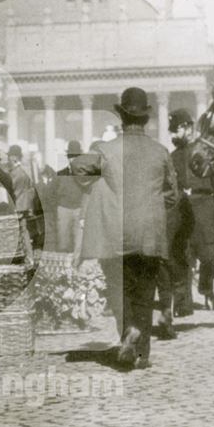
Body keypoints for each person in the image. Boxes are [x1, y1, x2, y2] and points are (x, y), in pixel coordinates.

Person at [72, 88, 177, 368]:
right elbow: (172, 194)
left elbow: (78, 171)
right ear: (145, 120)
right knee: (145, 292)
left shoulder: (105, 150)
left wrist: (99, 186)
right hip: (151, 234)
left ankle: (128, 331)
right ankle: (141, 352)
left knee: (119, 290)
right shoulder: (161, 152)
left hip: (115, 233)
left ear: (122, 118)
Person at [169, 109, 214, 310]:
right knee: (183, 253)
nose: (173, 135)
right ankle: (182, 303)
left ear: (188, 128)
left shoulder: (205, 150)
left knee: (208, 255)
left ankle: (206, 288)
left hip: (204, 205)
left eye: (177, 129)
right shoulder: (171, 156)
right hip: (181, 207)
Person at [53, 140, 87, 253]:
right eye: (72, 156)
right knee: (63, 243)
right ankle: (63, 268)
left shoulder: (86, 174)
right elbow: (52, 194)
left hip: (79, 210)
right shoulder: (60, 174)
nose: (74, 159)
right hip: (63, 210)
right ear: (68, 157)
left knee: (79, 244)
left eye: (76, 156)